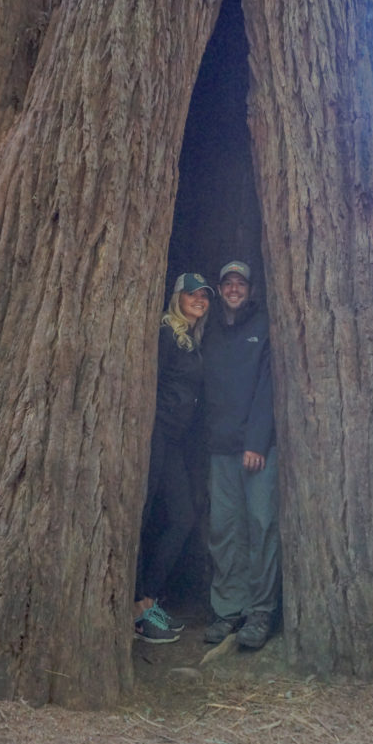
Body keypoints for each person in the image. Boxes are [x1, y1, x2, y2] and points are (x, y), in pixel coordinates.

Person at [202, 260, 280, 650]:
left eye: (240, 283)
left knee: (260, 526)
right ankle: (227, 609)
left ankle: (260, 612)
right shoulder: (210, 331)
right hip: (220, 448)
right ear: (220, 289)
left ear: (250, 290)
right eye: (227, 282)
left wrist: (257, 441)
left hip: (256, 450)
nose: (234, 288)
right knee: (223, 529)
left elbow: (268, 387)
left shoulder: (262, 326)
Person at [134, 272, 213, 643]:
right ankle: (138, 609)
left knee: (182, 516)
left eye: (204, 295)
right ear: (177, 297)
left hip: (175, 441)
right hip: (156, 436)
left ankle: (149, 597)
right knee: (143, 515)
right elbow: (150, 381)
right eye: (191, 293)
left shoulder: (191, 341)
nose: (199, 298)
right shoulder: (167, 335)